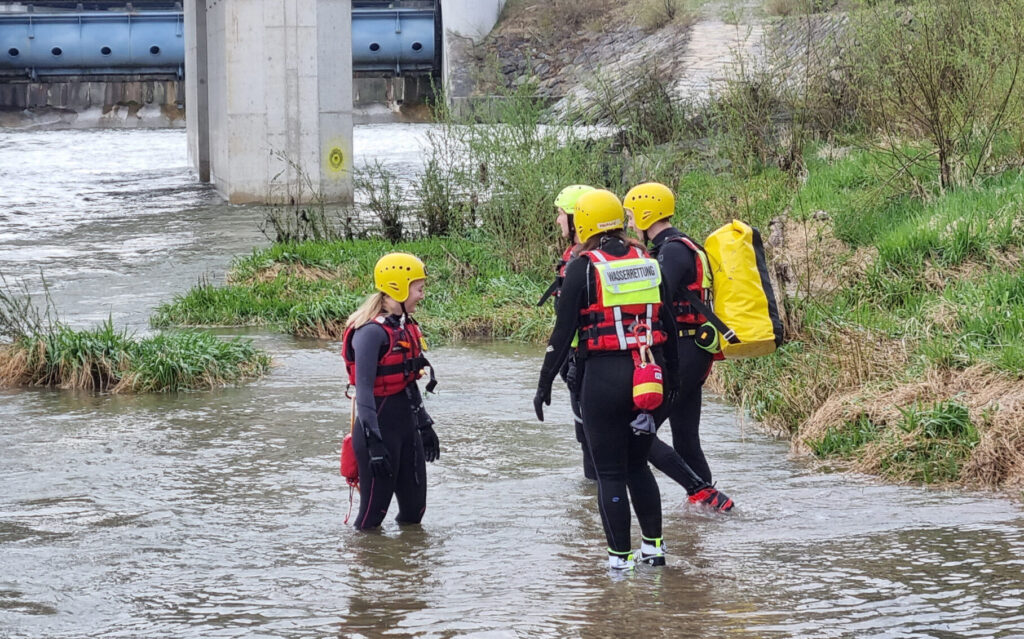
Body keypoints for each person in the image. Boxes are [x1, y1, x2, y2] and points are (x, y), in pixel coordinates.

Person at [534, 188, 679, 570]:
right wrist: (674, 380)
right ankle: (654, 551)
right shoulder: (649, 261)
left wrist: (544, 383)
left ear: (583, 224)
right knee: (638, 466)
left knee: (610, 473)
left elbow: (562, 335)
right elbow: (669, 325)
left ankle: (619, 562)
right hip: (651, 376)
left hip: (604, 380)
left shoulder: (582, 268)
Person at [623, 182, 734, 511]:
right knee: (685, 439)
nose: (629, 223)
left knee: (637, 433)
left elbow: (657, 300)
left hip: (684, 353)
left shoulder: (672, 250)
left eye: (631, 216)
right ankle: (707, 512)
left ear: (646, 213)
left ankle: (704, 493)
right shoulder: (678, 245)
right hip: (692, 352)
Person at [341, 252, 440, 530]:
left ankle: (406, 569)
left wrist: (425, 425)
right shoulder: (370, 333)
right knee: (371, 520)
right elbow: (364, 394)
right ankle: (365, 569)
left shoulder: (404, 327)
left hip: (407, 429)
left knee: (414, 513)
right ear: (398, 287)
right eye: (418, 289)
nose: (422, 295)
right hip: (378, 432)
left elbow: (409, 382)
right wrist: (374, 445)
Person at [537, 184, 596, 480]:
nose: (558, 220)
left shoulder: (582, 262)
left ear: (576, 219)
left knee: (592, 441)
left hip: (587, 361)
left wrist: (561, 366)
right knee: (587, 439)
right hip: (580, 358)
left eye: (561, 214)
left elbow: (568, 324)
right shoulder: (584, 256)